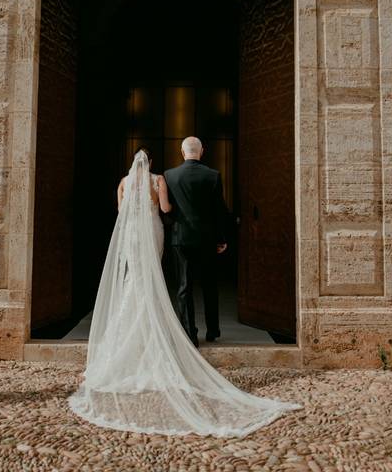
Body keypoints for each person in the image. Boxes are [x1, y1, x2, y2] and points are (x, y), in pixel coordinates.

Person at [67, 147, 300, 437]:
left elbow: (120, 211)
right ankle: (156, 333)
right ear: (151, 162)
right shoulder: (158, 180)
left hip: (131, 235)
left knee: (133, 281)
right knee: (151, 280)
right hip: (152, 231)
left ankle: (122, 342)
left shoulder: (123, 183)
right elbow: (165, 209)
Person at [163, 136, 227, 347]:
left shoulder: (170, 176)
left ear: (182, 152)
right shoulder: (213, 175)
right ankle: (213, 330)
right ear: (202, 151)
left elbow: (168, 209)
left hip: (181, 238)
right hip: (207, 239)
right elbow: (219, 210)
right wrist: (221, 238)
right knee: (210, 285)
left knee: (184, 286)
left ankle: (190, 334)